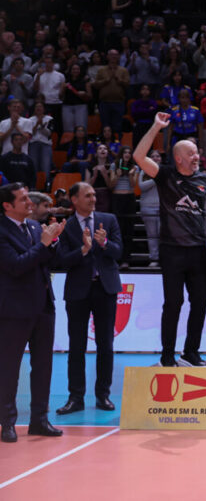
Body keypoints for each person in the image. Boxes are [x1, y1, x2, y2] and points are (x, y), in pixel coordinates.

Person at [133, 112, 206, 367]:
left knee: (200, 303)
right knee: (173, 303)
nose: (197, 157)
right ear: (179, 158)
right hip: (172, 251)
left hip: (199, 251)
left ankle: (191, 352)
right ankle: (167, 355)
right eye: (192, 153)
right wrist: (157, 126)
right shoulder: (166, 175)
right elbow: (138, 157)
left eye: (197, 153)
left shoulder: (205, 179)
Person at [0, 182, 66, 443]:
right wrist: (43, 244)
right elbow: (16, 266)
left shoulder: (35, 227)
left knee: (43, 367)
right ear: (7, 205)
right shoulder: (1, 231)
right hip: (14, 310)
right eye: (24, 199)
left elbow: (50, 261)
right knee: (9, 368)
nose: (30, 203)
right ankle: (7, 422)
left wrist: (54, 241)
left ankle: (39, 420)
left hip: (43, 307)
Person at [55, 182, 122, 414]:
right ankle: (76, 397)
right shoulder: (67, 226)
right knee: (76, 346)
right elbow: (62, 260)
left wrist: (104, 243)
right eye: (87, 195)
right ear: (74, 200)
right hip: (78, 291)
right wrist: (83, 250)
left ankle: (103, 395)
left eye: (94, 195)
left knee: (106, 344)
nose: (93, 199)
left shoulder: (109, 220)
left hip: (105, 289)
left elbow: (119, 252)